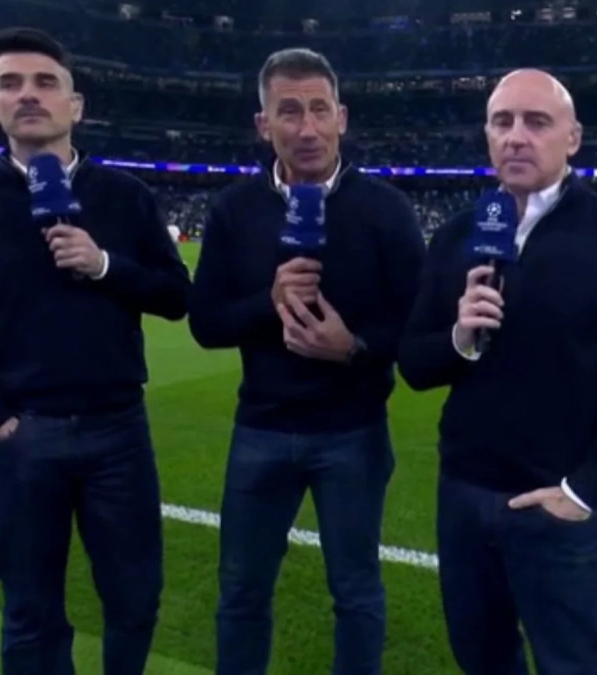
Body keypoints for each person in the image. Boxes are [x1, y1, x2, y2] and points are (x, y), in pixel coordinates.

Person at [0, 27, 190, 675]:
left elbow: (177, 296)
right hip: (20, 438)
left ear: (75, 105)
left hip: (120, 431)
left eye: (44, 83)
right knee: (31, 612)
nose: (28, 95)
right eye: (10, 84)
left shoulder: (126, 196)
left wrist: (105, 264)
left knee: (136, 599)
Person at [397, 69, 597, 675]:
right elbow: (415, 364)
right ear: (487, 136)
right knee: (483, 660)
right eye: (502, 122)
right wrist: (460, 338)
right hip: (465, 498)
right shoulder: (456, 236)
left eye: (536, 122)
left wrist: (585, 489)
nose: (516, 137)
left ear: (572, 138)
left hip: (560, 510)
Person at [187, 47, 426, 675]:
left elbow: (416, 324)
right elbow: (206, 323)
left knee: (355, 591)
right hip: (260, 429)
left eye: (320, 109)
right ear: (263, 124)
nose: (307, 127)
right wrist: (269, 302)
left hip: (354, 432)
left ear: (342, 117)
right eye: (288, 111)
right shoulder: (233, 210)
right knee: (241, 592)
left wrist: (354, 347)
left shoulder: (386, 210)